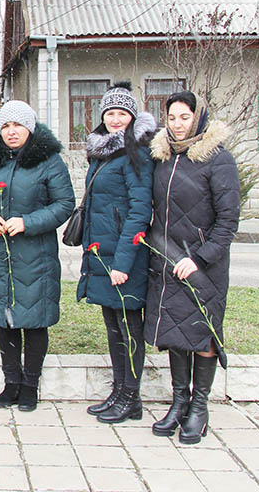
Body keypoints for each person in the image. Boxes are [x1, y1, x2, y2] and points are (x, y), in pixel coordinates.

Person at [0, 100, 75, 411]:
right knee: (5, 320)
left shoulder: (49, 161)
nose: (11, 132)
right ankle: (11, 382)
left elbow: (64, 203)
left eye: (17, 125)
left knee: (34, 320)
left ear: (30, 127)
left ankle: (30, 385)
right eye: (5, 126)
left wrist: (28, 222)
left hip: (35, 255)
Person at [145, 90, 240, 444]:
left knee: (202, 334)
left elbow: (228, 222)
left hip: (204, 266)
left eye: (184, 117)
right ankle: (179, 402)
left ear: (198, 117)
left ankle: (199, 407)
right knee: (176, 334)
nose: (177, 124)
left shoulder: (219, 160)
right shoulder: (163, 158)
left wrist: (198, 258)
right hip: (169, 261)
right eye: (171, 118)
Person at [77, 83, 156, 424]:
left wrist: (123, 263)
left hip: (125, 258)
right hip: (102, 253)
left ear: (132, 117)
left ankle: (131, 397)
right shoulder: (103, 152)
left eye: (122, 113)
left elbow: (139, 212)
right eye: (110, 113)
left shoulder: (136, 153)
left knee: (129, 328)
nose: (115, 119)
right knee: (113, 327)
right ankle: (119, 391)